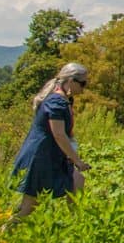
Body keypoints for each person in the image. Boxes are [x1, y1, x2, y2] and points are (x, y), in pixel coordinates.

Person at [11, 63, 90, 221]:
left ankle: (78, 224)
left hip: (51, 156)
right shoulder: (56, 103)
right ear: (71, 81)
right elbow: (59, 135)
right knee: (28, 207)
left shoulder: (65, 100)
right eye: (82, 83)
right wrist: (77, 161)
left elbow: (66, 134)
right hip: (40, 158)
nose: (84, 88)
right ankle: (1, 236)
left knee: (78, 180)